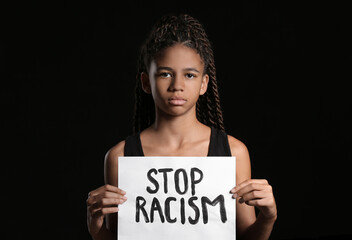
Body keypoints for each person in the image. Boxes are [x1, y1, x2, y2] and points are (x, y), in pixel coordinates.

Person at [86, 14, 277, 240]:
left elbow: (246, 237)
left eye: (189, 75)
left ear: (204, 83)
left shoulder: (233, 152)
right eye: (165, 74)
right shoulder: (120, 157)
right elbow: (122, 235)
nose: (177, 86)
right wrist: (97, 229)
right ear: (147, 82)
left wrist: (267, 217)